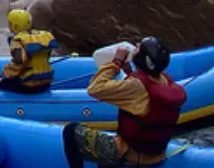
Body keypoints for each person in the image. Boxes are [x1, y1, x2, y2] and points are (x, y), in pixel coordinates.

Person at [63, 37, 187, 168]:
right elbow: (143, 91)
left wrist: (116, 61)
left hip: (130, 154)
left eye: (139, 47)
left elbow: (95, 89)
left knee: (71, 131)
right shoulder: (164, 80)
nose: (136, 46)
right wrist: (129, 71)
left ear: (143, 59)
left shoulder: (136, 86)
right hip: (155, 154)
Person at [0, 9, 59, 94]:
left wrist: (6, 74)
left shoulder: (18, 41)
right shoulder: (42, 37)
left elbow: (19, 61)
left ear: (15, 26)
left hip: (27, 85)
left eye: (10, 24)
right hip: (46, 83)